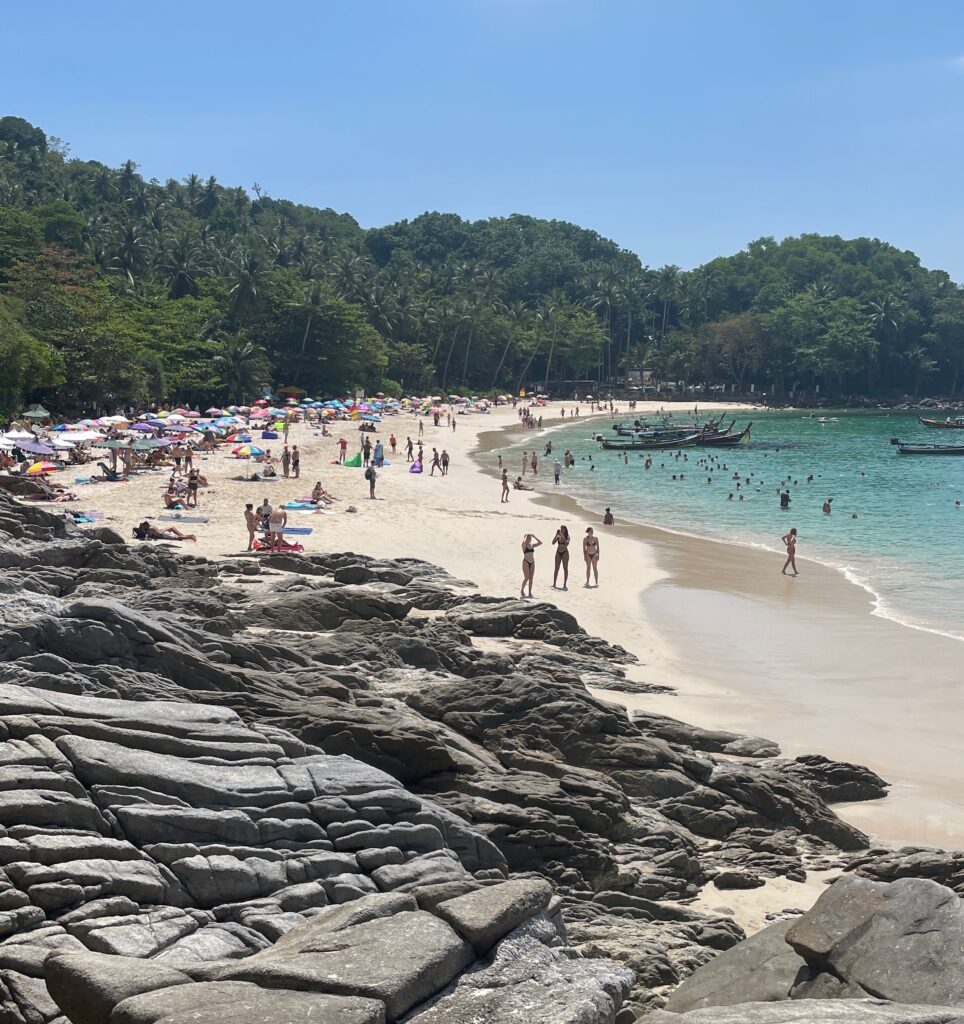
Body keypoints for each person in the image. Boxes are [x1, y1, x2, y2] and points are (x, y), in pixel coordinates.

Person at [520, 532, 542, 598]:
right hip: (526, 562)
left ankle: (529, 592)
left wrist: (534, 537)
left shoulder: (532, 545)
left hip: (532, 562)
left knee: (531, 578)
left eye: (530, 538)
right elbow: (523, 543)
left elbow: (540, 543)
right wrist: (525, 537)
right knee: (527, 577)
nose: (529, 539)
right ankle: (522, 590)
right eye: (528, 538)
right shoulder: (524, 546)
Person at [552, 525, 570, 590]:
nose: (561, 530)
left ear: (565, 530)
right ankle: (554, 583)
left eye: (563, 529)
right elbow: (553, 543)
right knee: (556, 568)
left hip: (565, 553)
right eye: (561, 529)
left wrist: (562, 536)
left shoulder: (567, 536)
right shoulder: (558, 536)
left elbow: (566, 544)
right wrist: (556, 535)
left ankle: (565, 584)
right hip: (558, 552)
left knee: (565, 568)